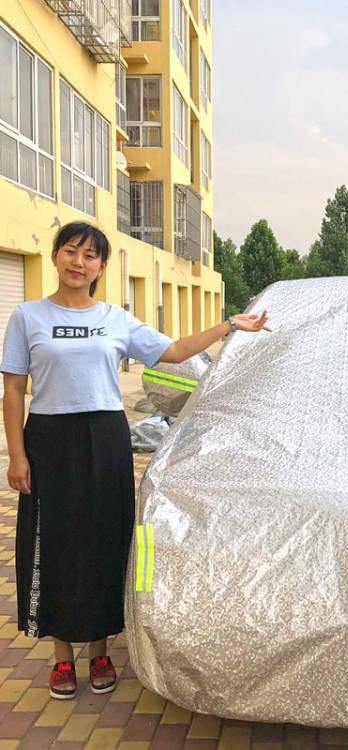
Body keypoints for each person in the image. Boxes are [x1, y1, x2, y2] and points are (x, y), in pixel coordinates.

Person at [0, 221, 270, 700]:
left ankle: (99, 650)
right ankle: (62, 656)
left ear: (102, 266)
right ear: (56, 256)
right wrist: (17, 455)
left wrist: (230, 326)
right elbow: (14, 389)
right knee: (56, 541)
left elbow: (172, 351)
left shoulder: (115, 318)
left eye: (88, 255)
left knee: (105, 539)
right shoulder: (27, 317)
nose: (77, 262)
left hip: (105, 436)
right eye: (69, 251)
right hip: (49, 439)